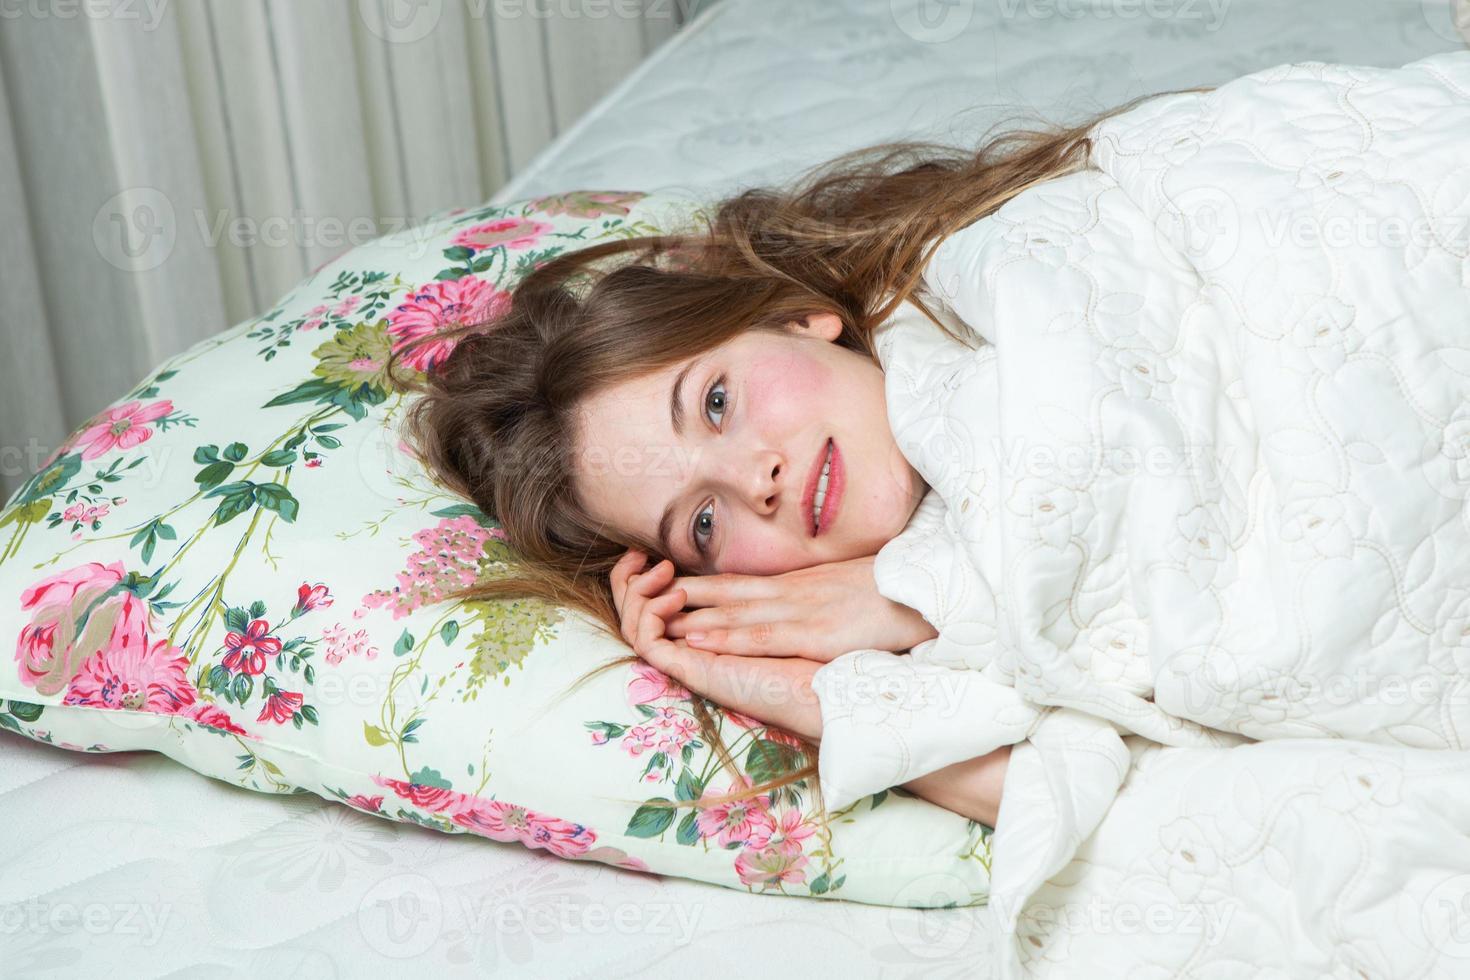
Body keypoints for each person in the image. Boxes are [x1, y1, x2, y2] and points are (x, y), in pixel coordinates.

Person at [395, 100, 1151, 828]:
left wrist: (923, 595)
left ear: (797, 317)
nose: (754, 480)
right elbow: (1159, 824)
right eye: (701, 520)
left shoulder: (1009, 268)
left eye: (717, 402)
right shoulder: (887, 639)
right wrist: (799, 689)